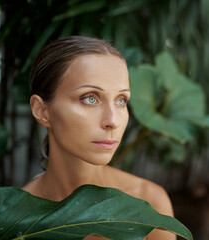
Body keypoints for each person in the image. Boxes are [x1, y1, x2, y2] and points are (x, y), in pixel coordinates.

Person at [22, 36, 175, 240]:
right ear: (42, 111)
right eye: (90, 98)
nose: (113, 121)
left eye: (121, 100)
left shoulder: (148, 203)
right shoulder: (13, 219)